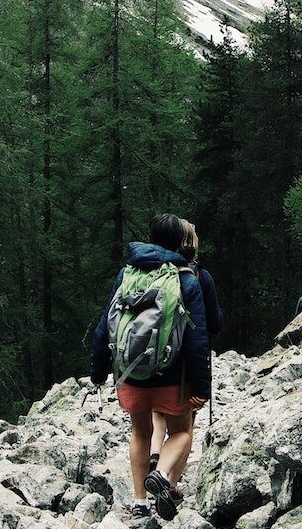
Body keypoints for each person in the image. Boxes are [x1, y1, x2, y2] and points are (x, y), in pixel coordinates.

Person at [90, 214, 211, 521]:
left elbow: (105, 325)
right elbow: (198, 339)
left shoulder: (128, 273)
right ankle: (162, 474)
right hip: (173, 376)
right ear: (180, 241)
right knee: (182, 431)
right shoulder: (185, 278)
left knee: (140, 433)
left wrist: (98, 371)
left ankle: (140, 501)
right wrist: (202, 388)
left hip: (130, 374)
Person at [149, 219, 223, 481]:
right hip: (182, 368)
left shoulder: (152, 272)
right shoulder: (200, 277)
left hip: (151, 357)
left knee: (157, 413)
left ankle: (155, 453)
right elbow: (213, 324)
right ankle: (169, 483)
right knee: (185, 426)